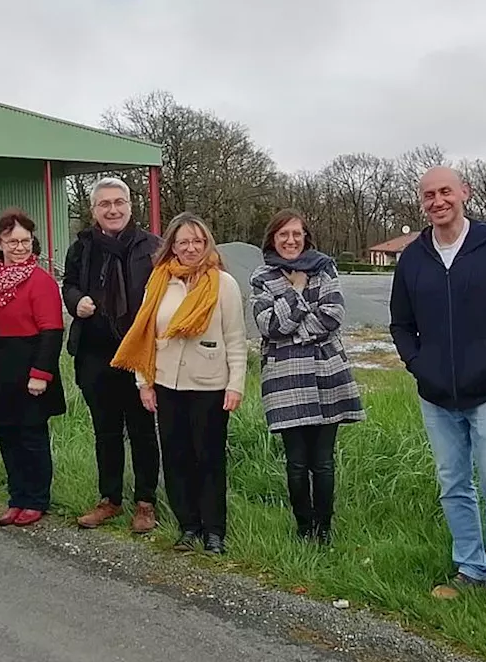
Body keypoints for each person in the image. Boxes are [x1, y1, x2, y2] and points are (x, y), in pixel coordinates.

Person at [388, 166, 486, 622]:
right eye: (429, 195)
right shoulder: (414, 258)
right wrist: (419, 365)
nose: (438, 201)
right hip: (436, 395)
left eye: (445, 192)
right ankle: (470, 567)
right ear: (421, 203)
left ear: (464, 194)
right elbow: (400, 324)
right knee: (454, 485)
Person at [111, 213, 246, 555]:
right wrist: (145, 383)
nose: (190, 248)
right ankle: (188, 526)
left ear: (207, 244)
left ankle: (214, 530)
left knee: (209, 459)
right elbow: (145, 334)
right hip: (167, 384)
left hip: (210, 385)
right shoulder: (159, 281)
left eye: (197, 241)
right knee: (176, 457)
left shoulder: (223, 284)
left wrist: (236, 385)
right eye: (183, 242)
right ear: (171, 245)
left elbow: (236, 338)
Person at [250, 209, 365, 544]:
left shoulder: (324, 267)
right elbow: (267, 325)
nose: (290, 240)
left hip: (325, 373)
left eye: (296, 234)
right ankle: (304, 529)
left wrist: (292, 327)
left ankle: (324, 531)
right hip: (285, 379)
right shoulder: (261, 276)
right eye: (283, 234)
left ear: (306, 237)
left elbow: (333, 315)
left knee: (324, 462)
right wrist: (296, 293)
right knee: (297, 463)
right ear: (273, 238)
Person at [62, 177, 163, 535]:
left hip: (138, 354)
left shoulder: (152, 247)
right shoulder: (81, 248)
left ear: (130, 206)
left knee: (142, 431)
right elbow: (68, 284)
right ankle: (109, 499)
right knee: (105, 431)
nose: (113, 209)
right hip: (95, 353)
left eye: (119, 202)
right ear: (94, 211)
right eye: (105, 204)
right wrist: (76, 302)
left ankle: (146, 502)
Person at [0, 208, 66, 528]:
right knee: (6, 434)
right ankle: (16, 496)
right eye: (12, 241)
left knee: (31, 435)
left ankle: (37, 499)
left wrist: (41, 374)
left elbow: (52, 331)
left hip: (28, 362)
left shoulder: (41, 280)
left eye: (25, 241)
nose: (20, 247)